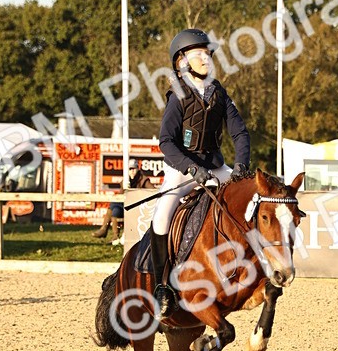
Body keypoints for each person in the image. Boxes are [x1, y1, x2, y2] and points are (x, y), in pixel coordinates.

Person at [151, 27, 250, 315]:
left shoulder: (219, 93)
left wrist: (241, 166)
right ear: (182, 61)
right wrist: (191, 168)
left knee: (247, 202)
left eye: (207, 53)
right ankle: (162, 287)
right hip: (183, 171)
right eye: (199, 54)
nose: (205, 59)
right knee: (161, 218)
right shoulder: (177, 96)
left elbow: (240, 133)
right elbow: (166, 142)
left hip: (216, 167)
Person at [93, 158, 148, 242]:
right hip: (126, 206)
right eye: (130, 169)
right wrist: (125, 186)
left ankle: (104, 229)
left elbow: (152, 191)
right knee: (115, 209)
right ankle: (115, 236)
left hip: (137, 208)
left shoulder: (144, 180)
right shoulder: (125, 180)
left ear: (138, 169)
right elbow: (121, 195)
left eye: (134, 168)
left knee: (114, 203)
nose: (132, 171)